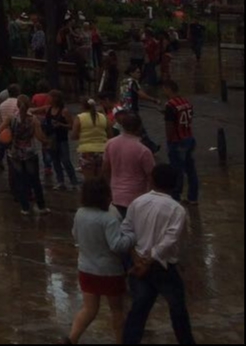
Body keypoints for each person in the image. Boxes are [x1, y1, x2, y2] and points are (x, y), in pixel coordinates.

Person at [121, 164, 194, 345]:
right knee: (178, 310)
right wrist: (150, 259)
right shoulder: (176, 209)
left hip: (139, 263)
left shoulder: (138, 202)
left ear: (152, 180)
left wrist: (137, 258)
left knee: (138, 310)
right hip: (163, 266)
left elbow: (126, 231)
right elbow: (171, 239)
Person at [65, 177, 133, 344]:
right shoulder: (108, 218)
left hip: (86, 268)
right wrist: (132, 236)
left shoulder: (80, 213)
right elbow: (116, 245)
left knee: (89, 309)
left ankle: (71, 339)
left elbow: (75, 234)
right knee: (117, 310)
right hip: (109, 271)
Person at [102, 111, 154, 218]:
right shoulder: (143, 150)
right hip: (137, 197)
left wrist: (108, 189)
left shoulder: (110, 144)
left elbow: (106, 169)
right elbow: (151, 175)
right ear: (139, 128)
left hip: (116, 195)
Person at [4, 95, 48, 215]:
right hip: (30, 152)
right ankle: (41, 206)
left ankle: (25, 208)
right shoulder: (33, 120)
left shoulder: (11, 118)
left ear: (17, 105)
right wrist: (46, 141)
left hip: (15, 153)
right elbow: (39, 136)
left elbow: (0, 130)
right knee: (35, 180)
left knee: (20, 180)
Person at [162, 81, 198, 205]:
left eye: (164, 89)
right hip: (189, 137)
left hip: (177, 140)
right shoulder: (186, 102)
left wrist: (169, 140)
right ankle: (193, 197)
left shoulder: (170, 105)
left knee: (177, 170)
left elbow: (169, 125)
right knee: (191, 169)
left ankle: (176, 196)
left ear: (168, 89)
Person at [44, 89, 78, 190]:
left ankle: (74, 182)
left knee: (66, 161)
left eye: (50, 97)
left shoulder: (64, 111)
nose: (48, 99)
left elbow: (71, 125)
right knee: (55, 161)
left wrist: (61, 125)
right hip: (51, 138)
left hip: (62, 139)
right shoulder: (48, 109)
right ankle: (60, 181)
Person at [72, 98, 110, 180]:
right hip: (102, 150)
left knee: (89, 179)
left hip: (86, 151)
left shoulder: (80, 117)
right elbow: (110, 134)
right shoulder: (103, 117)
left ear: (83, 106)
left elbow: (74, 136)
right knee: (100, 179)